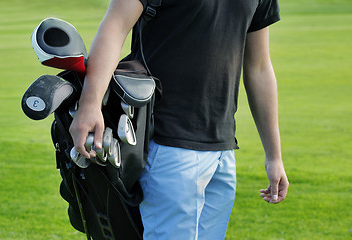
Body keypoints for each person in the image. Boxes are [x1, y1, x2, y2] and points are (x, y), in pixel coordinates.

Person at [69, 0, 289, 239]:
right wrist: (90, 105)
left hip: (222, 151)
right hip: (166, 145)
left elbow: (259, 67)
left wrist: (274, 156)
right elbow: (114, 27)